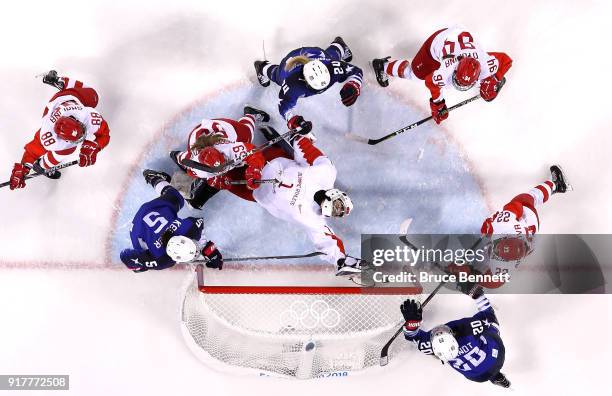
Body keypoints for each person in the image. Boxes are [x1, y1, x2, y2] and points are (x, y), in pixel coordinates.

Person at [251, 129, 360, 276]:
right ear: (337, 194)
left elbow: (328, 242)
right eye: (338, 206)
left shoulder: (315, 222)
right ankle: (274, 138)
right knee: (296, 158)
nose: (334, 210)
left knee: (221, 180)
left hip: (256, 191)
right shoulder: (326, 172)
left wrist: (341, 260)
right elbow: (306, 149)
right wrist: (298, 134)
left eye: (337, 213)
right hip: (272, 160)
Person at [372, 26, 512, 124]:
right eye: (458, 81)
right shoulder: (447, 69)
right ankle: (382, 66)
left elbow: (506, 60)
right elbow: (430, 82)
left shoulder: (486, 64)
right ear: (455, 69)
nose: (458, 85)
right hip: (439, 40)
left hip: (460, 37)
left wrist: (495, 78)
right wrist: (438, 104)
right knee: (414, 74)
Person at [9, 70, 110, 190]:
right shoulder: (48, 133)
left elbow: (105, 133)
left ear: (78, 121)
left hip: (70, 97)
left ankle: (61, 82)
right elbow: (32, 152)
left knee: (94, 96)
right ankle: (42, 166)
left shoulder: (86, 115)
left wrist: (96, 146)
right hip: (55, 104)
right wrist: (24, 168)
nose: (82, 139)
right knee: (66, 150)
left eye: (83, 131)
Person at [400, 286, 511, 388]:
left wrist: (412, 322)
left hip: (476, 377)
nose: (439, 330)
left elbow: (411, 336)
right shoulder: (468, 330)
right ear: (453, 337)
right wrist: (476, 294)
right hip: (497, 358)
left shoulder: (428, 345)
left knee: (483, 368)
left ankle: (495, 376)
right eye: (442, 332)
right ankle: (495, 376)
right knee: (492, 325)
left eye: (435, 334)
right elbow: (489, 315)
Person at [119, 169, 223, 273]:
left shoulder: (162, 260)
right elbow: (126, 257)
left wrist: (208, 250)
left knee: (176, 197)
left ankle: (154, 178)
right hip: (146, 225)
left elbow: (125, 256)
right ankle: (157, 180)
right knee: (175, 197)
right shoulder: (161, 259)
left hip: (149, 215)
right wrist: (139, 264)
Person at [254, 36, 363, 134]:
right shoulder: (292, 84)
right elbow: (283, 107)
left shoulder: (332, 68)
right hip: (290, 62)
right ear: (305, 81)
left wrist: (353, 86)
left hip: (316, 55)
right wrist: (293, 121)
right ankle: (262, 67)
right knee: (278, 76)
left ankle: (339, 44)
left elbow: (356, 71)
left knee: (331, 58)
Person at [170, 106, 270, 209]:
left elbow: (252, 151)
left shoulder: (228, 148)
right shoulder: (197, 167)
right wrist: (213, 180)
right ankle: (176, 155)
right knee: (183, 160)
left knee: (246, 134)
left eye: (225, 162)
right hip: (197, 136)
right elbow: (188, 167)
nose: (223, 170)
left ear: (222, 154)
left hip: (223, 127)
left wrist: (255, 169)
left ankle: (250, 114)